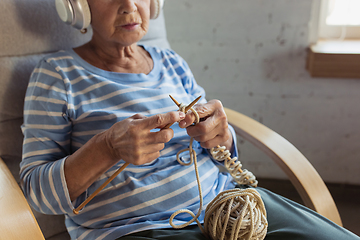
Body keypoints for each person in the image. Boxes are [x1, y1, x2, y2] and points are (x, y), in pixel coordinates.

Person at [20, 0, 359, 240]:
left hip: (229, 206)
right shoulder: (56, 75)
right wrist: (107, 148)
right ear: (78, 6)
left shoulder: (171, 63)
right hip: (137, 231)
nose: (128, 5)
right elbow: (37, 193)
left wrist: (220, 134)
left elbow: (223, 156)